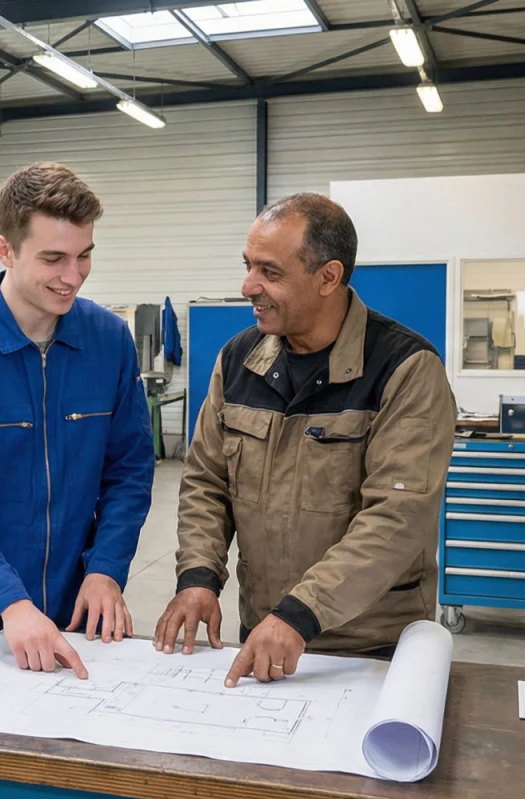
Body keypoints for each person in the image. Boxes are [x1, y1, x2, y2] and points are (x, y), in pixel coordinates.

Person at [154, 193, 456, 687]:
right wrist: (199, 578)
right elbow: (207, 481)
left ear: (328, 277)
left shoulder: (404, 370)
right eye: (248, 265)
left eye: (269, 272)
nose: (248, 285)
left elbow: (396, 519)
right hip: (265, 632)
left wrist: (301, 613)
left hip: (367, 650)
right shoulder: (238, 360)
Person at [0, 162, 155, 680]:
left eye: (84, 255)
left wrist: (107, 571)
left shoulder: (109, 341)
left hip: (80, 608)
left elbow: (129, 472)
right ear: (5, 250)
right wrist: (9, 604)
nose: (73, 276)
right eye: (53, 258)